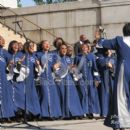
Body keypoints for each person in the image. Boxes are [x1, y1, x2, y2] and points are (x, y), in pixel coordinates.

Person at [96, 23, 130, 130]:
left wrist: (100, 36)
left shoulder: (119, 40)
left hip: (124, 71)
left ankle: (121, 122)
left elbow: (102, 43)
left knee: (120, 96)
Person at [36, 40, 62, 120]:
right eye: (45, 44)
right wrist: (38, 65)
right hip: (42, 76)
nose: (47, 45)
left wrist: (57, 65)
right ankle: (45, 114)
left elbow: (58, 63)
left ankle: (54, 114)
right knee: (44, 94)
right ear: (41, 45)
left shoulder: (53, 55)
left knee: (53, 95)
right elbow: (36, 66)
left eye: (48, 44)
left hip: (51, 77)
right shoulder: (38, 54)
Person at [0, 36, 15, 122]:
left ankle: (6, 115)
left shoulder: (4, 52)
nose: (2, 40)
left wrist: (10, 64)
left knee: (5, 96)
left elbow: (9, 64)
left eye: (2, 39)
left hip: (3, 77)